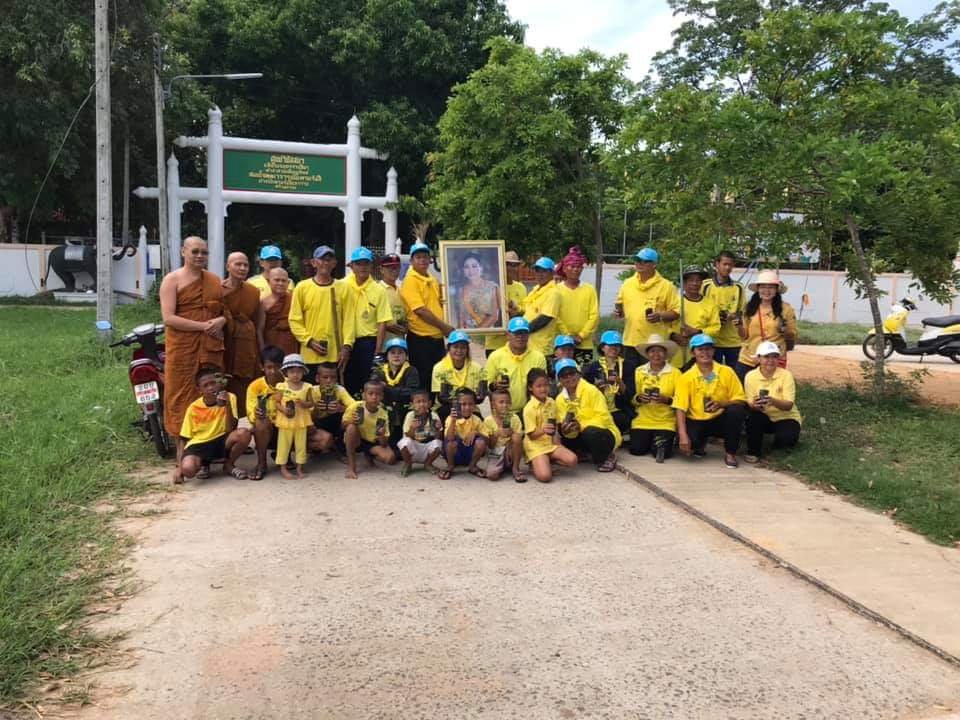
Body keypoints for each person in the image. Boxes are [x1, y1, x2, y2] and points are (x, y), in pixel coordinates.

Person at [159, 236, 226, 450]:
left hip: (210, 346)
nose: (199, 256)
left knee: (211, 388)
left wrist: (221, 320)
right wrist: (203, 326)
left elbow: (225, 312)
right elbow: (169, 318)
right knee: (180, 391)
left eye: (204, 252)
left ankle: (211, 441)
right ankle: (182, 442)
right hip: (182, 346)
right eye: (195, 251)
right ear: (183, 252)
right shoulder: (172, 279)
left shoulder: (214, 280)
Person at [673, 334, 747, 468]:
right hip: (697, 419)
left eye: (708, 349)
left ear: (713, 351)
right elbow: (680, 407)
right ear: (693, 352)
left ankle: (730, 452)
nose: (705, 353)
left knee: (736, 410)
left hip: (720, 418)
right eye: (700, 349)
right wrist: (683, 435)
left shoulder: (727, 371)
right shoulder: (686, 377)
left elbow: (741, 399)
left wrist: (722, 404)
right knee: (689, 448)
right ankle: (700, 443)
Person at [288, 245, 355, 383]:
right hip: (309, 354)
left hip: (335, 354)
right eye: (322, 259)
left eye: (329, 259)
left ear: (334, 263)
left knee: (333, 396)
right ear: (314, 262)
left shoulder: (343, 288)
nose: (326, 263)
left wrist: (347, 346)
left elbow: (349, 320)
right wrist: (309, 341)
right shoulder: (302, 287)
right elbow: (294, 320)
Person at [174, 367, 252, 484]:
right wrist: (179, 468)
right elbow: (183, 438)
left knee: (244, 434)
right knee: (188, 470)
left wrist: (227, 406)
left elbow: (230, 429)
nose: (211, 388)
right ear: (199, 390)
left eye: (213, 383)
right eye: (206, 385)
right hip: (200, 444)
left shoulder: (230, 397)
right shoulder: (193, 408)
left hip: (222, 439)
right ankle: (203, 465)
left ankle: (229, 465)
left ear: (219, 384)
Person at [400, 242, 454, 390]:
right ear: (411, 261)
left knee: (439, 378)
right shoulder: (411, 280)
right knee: (424, 380)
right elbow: (421, 311)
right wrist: (445, 327)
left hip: (436, 338)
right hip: (421, 338)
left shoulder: (432, 279)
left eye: (425, 257)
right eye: (418, 257)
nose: (422, 260)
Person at [613, 247, 680, 366]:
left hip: (654, 344)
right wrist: (619, 313)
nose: (640, 263)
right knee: (630, 380)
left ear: (654, 264)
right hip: (630, 342)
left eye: (645, 261)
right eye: (637, 260)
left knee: (653, 380)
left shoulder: (666, 286)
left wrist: (660, 316)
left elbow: (676, 313)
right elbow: (621, 308)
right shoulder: (628, 283)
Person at [555, 359, 621, 473]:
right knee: (562, 431)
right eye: (564, 375)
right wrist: (568, 429)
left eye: (572, 373)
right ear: (559, 380)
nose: (569, 377)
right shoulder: (560, 399)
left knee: (591, 432)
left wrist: (580, 425)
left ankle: (608, 455)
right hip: (581, 434)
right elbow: (563, 422)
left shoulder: (592, 391)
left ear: (579, 374)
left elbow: (603, 418)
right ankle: (586, 452)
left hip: (603, 432)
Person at [343, 247, 393, 395]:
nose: (362, 267)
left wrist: (377, 353)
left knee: (369, 385)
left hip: (368, 343)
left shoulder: (378, 290)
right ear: (351, 266)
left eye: (366, 263)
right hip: (347, 342)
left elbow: (382, 322)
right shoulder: (342, 285)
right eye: (358, 263)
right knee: (347, 383)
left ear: (372, 266)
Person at [743, 341, 802, 463]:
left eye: (774, 356)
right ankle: (753, 452)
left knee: (786, 440)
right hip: (763, 415)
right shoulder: (750, 376)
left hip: (786, 417)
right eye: (766, 357)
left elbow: (788, 405)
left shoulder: (786, 375)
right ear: (758, 358)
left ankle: (777, 443)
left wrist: (773, 401)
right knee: (753, 418)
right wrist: (755, 405)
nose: (770, 360)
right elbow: (749, 403)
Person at [735, 270, 798, 383]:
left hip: (773, 360)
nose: (766, 291)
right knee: (743, 395)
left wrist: (784, 330)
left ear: (776, 290)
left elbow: (792, 335)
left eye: (771, 287)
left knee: (769, 394)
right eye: (763, 287)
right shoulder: (749, 308)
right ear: (758, 289)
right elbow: (744, 336)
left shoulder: (786, 309)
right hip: (749, 358)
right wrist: (739, 326)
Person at [630, 334, 681, 462]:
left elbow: (681, 401)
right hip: (642, 418)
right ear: (647, 354)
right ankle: (650, 438)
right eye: (652, 351)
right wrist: (639, 398)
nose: (656, 354)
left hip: (665, 420)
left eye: (660, 351)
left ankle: (666, 438)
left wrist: (667, 400)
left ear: (666, 353)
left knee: (662, 452)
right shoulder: (639, 371)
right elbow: (631, 398)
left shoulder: (675, 373)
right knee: (637, 450)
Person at [522, 368, 578, 483]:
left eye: (546, 385)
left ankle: (546, 461)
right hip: (536, 446)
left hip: (550, 443)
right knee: (545, 477)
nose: (543, 389)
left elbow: (556, 425)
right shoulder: (529, 408)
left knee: (573, 460)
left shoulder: (552, 402)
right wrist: (543, 430)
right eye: (539, 386)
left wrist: (562, 433)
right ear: (530, 388)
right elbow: (531, 435)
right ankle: (536, 463)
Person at [221, 251, 261, 409]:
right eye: (238, 264)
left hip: (246, 344)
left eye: (245, 265)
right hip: (226, 342)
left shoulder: (253, 291)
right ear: (228, 267)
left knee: (245, 385)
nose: (242, 268)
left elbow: (256, 322)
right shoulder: (218, 290)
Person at [485, 317, 548, 414]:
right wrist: (495, 385)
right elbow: (487, 386)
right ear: (508, 335)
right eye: (516, 333)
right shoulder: (495, 357)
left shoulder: (539, 357)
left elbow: (542, 386)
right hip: (505, 412)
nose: (520, 337)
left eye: (524, 333)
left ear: (528, 335)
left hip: (533, 411)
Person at [583, 330, 636, 436]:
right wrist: (597, 388)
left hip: (620, 409)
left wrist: (620, 382)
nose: (614, 348)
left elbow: (631, 394)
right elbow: (585, 390)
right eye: (610, 345)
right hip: (599, 409)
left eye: (617, 345)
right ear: (602, 347)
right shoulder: (593, 367)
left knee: (622, 419)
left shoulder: (628, 365)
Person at [370, 337, 420, 449]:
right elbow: (374, 390)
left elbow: (411, 393)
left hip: (404, 410)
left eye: (400, 353)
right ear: (387, 356)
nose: (396, 356)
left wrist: (387, 389)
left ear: (406, 356)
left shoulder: (411, 370)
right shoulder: (379, 371)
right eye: (392, 353)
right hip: (385, 410)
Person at [246, 345, 285, 481]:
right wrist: (256, 414)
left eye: (277, 366)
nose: (273, 371)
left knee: (323, 440)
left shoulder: (290, 383)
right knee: (260, 421)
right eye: (269, 367)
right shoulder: (255, 386)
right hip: (267, 430)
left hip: (287, 429)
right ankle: (262, 463)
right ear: (262, 367)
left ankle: (284, 456)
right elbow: (251, 414)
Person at [555, 246, 599, 366]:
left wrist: (581, 335)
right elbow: (555, 315)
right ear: (564, 268)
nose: (576, 270)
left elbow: (594, 315)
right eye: (572, 266)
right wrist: (568, 335)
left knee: (583, 376)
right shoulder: (556, 290)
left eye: (579, 267)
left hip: (584, 344)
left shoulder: (589, 289)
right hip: (562, 344)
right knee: (563, 375)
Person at [701, 250, 747, 367]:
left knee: (733, 374)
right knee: (713, 373)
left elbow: (742, 312)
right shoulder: (705, 285)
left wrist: (733, 316)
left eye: (730, 265)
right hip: (711, 339)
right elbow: (699, 308)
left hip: (732, 340)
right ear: (717, 264)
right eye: (724, 264)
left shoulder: (738, 287)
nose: (727, 268)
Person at [273, 353, 315, 479]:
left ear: (303, 372)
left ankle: (299, 467)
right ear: (286, 372)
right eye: (292, 371)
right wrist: (283, 409)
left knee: (301, 445)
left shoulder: (307, 387)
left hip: (301, 421)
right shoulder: (281, 386)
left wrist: (303, 403)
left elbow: (311, 403)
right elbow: (276, 403)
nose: (295, 375)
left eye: (298, 371)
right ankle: (283, 467)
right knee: (283, 444)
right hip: (286, 421)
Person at [343, 380, 396, 478]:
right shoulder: (356, 406)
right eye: (370, 394)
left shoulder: (382, 414)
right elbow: (343, 426)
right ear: (364, 395)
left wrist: (381, 435)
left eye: (378, 394)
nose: (374, 397)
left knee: (390, 458)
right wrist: (351, 421)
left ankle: (368, 455)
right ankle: (351, 466)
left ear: (382, 396)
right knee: (351, 428)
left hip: (371, 442)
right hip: (357, 439)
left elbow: (383, 443)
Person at [431, 329, 486, 422]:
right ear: (448, 348)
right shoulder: (439, 367)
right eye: (456, 347)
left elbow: (480, 398)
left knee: (479, 422)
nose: (459, 351)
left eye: (463, 347)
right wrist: (459, 405)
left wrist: (480, 395)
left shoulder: (477, 368)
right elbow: (441, 398)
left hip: (470, 407)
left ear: (467, 349)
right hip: (446, 407)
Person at [672, 265, 720, 369]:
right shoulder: (675, 301)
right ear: (684, 283)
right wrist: (673, 335)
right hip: (677, 354)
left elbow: (716, 328)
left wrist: (698, 332)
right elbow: (664, 325)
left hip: (701, 356)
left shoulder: (710, 304)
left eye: (698, 280)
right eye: (691, 280)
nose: (695, 283)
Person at [484, 250, 527, 357]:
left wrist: (515, 311)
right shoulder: (490, 286)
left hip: (515, 344)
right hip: (494, 343)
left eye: (515, 265)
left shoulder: (521, 287)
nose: (512, 268)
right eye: (508, 264)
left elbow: (525, 313)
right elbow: (485, 313)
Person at [440, 388, 487, 479]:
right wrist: (453, 421)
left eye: (470, 404)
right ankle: (450, 466)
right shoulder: (451, 418)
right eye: (463, 404)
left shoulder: (477, 420)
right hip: (455, 455)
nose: (467, 407)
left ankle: (472, 466)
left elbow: (487, 440)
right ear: (456, 405)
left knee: (481, 442)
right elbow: (449, 438)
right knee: (451, 443)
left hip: (470, 455)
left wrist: (476, 433)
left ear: (474, 405)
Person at [481, 387, 525, 482]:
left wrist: (512, 433)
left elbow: (519, 441)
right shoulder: (488, 421)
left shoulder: (515, 418)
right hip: (496, 452)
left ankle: (515, 467)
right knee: (492, 476)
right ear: (493, 405)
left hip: (510, 451)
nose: (505, 405)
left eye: (508, 402)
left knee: (516, 436)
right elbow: (490, 446)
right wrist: (497, 434)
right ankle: (503, 466)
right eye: (501, 402)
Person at [309, 363, 353, 456]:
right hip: (315, 424)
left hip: (333, 422)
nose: (329, 381)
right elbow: (304, 416)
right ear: (317, 378)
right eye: (325, 377)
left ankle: (340, 444)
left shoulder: (340, 390)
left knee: (350, 417)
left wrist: (341, 408)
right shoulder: (310, 391)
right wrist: (316, 409)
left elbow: (355, 406)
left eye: (333, 377)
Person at [397, 390, 444, 477]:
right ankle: (408, 464)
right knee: (404, 442)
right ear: (412, 404)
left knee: (439, 444)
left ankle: (428, 463)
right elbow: (407, 435)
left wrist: (438, 429)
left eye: (424, 401)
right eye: (418, 402)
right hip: (414, 448)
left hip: (427, 448)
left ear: (429, 403)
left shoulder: (433, 415)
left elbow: (438, 437)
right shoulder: (410, 415)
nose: (422, 404)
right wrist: (412, 428)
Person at [523, 257, 562, 356]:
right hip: (529, 345)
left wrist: (523, 330)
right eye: (537, 270)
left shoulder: (554, 292)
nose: (540, 274)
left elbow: (545, 318)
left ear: (552, 273)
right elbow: (527, 312)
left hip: (541, 348)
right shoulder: (535, 290)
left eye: (544, 271)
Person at [257, 267, 298, 356]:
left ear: (288, 283)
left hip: (290, 344)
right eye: (277, 280)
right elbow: (260, 329)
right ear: (269, 282)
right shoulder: (263, 303)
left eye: (284, 281)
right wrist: (262, 351)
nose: (280, 283)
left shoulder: (294, 300)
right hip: (271, 344)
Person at [457, 251, 502, 329]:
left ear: (481, 268)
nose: (471, 270)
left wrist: (478, 331)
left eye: (474, 266)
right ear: (463, 270)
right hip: (469, 335)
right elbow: (462, 317)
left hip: (488, 334)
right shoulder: (462, 290)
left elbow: (494, 316)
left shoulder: (492, 287)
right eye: (466, 267)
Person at [379, 254, 408, 343]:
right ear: (381, 270)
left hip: (399, 344)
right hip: (382, 344)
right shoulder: (377, 289)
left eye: (396, 267)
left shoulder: (401, 291)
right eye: (389, 268)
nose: (393, 271)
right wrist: (386, 325)